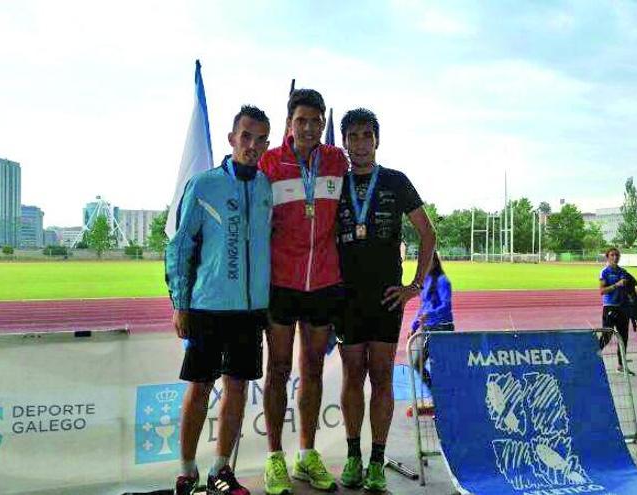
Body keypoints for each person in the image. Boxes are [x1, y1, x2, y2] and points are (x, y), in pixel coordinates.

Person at [165, 105, 273, 495]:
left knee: (238, 389)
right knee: (199, 387)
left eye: (261, 139)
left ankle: (220, 471)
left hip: (249, 311)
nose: (252, 145)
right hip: (207, 307)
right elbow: (178, 247)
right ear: (232, 139)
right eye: (246, 136)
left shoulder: (265, 187)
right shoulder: (204, 184)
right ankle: (186, 471)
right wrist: (180, 302)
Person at [334, 108, 436, 492]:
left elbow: (428, 234)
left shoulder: (396, 181)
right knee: (351, 376)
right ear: (344, 142)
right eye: (353, 136)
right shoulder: (334, 185)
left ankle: (377, 460)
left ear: (377, 140)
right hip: (346, 298)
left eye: (367, 135)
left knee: (380, 376)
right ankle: (352, 457)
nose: (360, 143)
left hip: (387, 297)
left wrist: (415, 286)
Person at [257, 89, 348, 494]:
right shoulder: (270, 163)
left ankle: (306, 454)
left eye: (317, 121)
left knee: (311, 369)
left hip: (323, 282)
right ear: (288, 122)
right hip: (281, 282)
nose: (309, 128)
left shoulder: (336, 160)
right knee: (277, 370)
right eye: (301, 121)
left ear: (324, 124)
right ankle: (275, 457)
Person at [410, 251, 454, 387]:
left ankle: (441, 394)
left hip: (441, 327)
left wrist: (429, 314)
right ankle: (437, 392)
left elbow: (446, 305)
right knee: (419, 364)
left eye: (425, 262)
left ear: (434, 263)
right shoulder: (426, 281)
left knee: (439, 364)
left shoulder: (443, 281)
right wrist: (414, 326)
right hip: (428, 328)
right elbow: (424, 306)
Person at [598, 247, 637, 375]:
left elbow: (629, 288)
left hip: (623, 307)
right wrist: (616, 285)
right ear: (607, 257)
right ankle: (591, 355)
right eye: (612, 255)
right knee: (607, 335)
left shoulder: (623, 272)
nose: (615, 257)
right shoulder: (605, 272)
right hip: (610, 307)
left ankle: (621, 365)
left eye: (617, 255)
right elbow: (602, 291)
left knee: (623, 337)